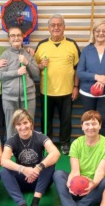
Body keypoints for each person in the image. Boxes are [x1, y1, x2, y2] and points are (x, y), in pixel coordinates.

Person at [53, 110, 105, 206]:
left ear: (100, 125)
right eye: (87, 124)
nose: (90, 127)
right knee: (58, 174)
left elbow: (101, 172)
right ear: (82, 126)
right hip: (79, 183)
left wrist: (92, 184)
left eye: (94, 124)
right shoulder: (76, 143)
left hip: (95, 186)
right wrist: (71, 183)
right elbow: (75, 170)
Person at [0, 109, 60, 206]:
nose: (23, 127)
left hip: (39, 179)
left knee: (49, 162)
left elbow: (56, 153)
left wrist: (38, 168)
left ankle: (35, 203)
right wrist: (23, 169)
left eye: (25, 123)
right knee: (4, 171)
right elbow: (3, 160)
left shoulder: (40, 136)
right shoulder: (12, 140)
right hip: (22, 179)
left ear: (31, 123)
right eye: (19, 124)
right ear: (15, 126)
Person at [35, 13, 81, 155]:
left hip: (67, 91)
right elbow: (33, 66)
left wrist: (75, 87)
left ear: (64, 27)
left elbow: (77, 68)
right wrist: (40, 65)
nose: (56, 27)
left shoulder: (72, 44)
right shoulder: (42, 45)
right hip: (46, 91)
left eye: (59, 24)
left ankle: (65, 143)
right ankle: (47, 143)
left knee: (66, 120)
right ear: (48, 28)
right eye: (53, 25)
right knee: (46, 120)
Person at [0, 26, 39, 139]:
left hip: (28, 96)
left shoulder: (28, 53)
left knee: (28, 124)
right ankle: (11, 148)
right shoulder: (5, 54)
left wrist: (27, 63)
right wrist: (17, 72)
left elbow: (36, 74)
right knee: (11, 124)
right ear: (9, 39)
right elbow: (0, 75)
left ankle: (29, 146)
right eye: (13, 35)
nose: (16, 38)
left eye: (18, 35)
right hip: (9, 97)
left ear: (22, 37)